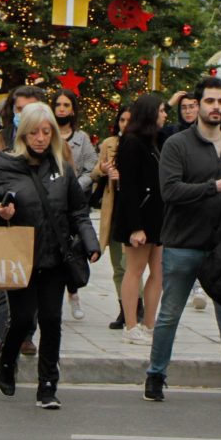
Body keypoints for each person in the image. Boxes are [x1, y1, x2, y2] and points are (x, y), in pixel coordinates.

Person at [143, 76, 221, 411]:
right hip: (183, 244)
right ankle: (156, 374)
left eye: (220, 101)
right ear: (197, 105)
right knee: (170, 314)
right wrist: (215, 186)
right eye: (209, 101)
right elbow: (170, 191)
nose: (215, 107)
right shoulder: (177, 144)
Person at [0, 102, 99, 409]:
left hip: (55, 256)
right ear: (23, 134)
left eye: (47, 132)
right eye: (34, 132)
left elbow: (78, 210)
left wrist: (91, 243)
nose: (41, 138)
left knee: (51, 319)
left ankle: (47, 385)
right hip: (19, 255)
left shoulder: (62, 166)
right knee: (21, 319)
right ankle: (7, 360)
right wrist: (0, 212)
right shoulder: (5, 164)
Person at [0, 84, 50, 354]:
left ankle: (27, 334)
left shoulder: (52, 144)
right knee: (7, 287)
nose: (22, 114)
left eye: (29, 109)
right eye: (18, 109)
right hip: (6, 225)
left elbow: (65, 181)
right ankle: (4, 343)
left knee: (35, 285)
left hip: (41, 228)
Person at [113, 93, 165, 342]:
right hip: (139, 216)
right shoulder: (132, 143)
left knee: (158, 270)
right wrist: (135, 226)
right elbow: (129, 187)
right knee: (135, 270)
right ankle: (131, 325)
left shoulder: (152, 141)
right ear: (150, 113)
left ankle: (149, 324)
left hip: (157, 215)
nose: (165, 115)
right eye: (161, 110)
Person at [53, 90, 98, 321]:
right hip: (51, 198)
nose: (62, 109)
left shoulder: (82, 138)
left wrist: (76, 186)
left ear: (73, 109)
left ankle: (73, 291)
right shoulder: (46, 134)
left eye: (66, 105)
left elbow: (92, 168)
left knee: (72, 248)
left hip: (74, 200)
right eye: (58, 104)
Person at [95, 105, 133, 329]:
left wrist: (124, 177)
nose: (125, 124)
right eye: (122, 120)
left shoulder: (141, 144)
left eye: (129, 120)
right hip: (114, 210)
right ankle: (123, 308)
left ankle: (136, 307)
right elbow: (95, 172)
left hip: (132, 212)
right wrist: (103, 168)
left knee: (130, 266)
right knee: (118, 265)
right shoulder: (109, 144)